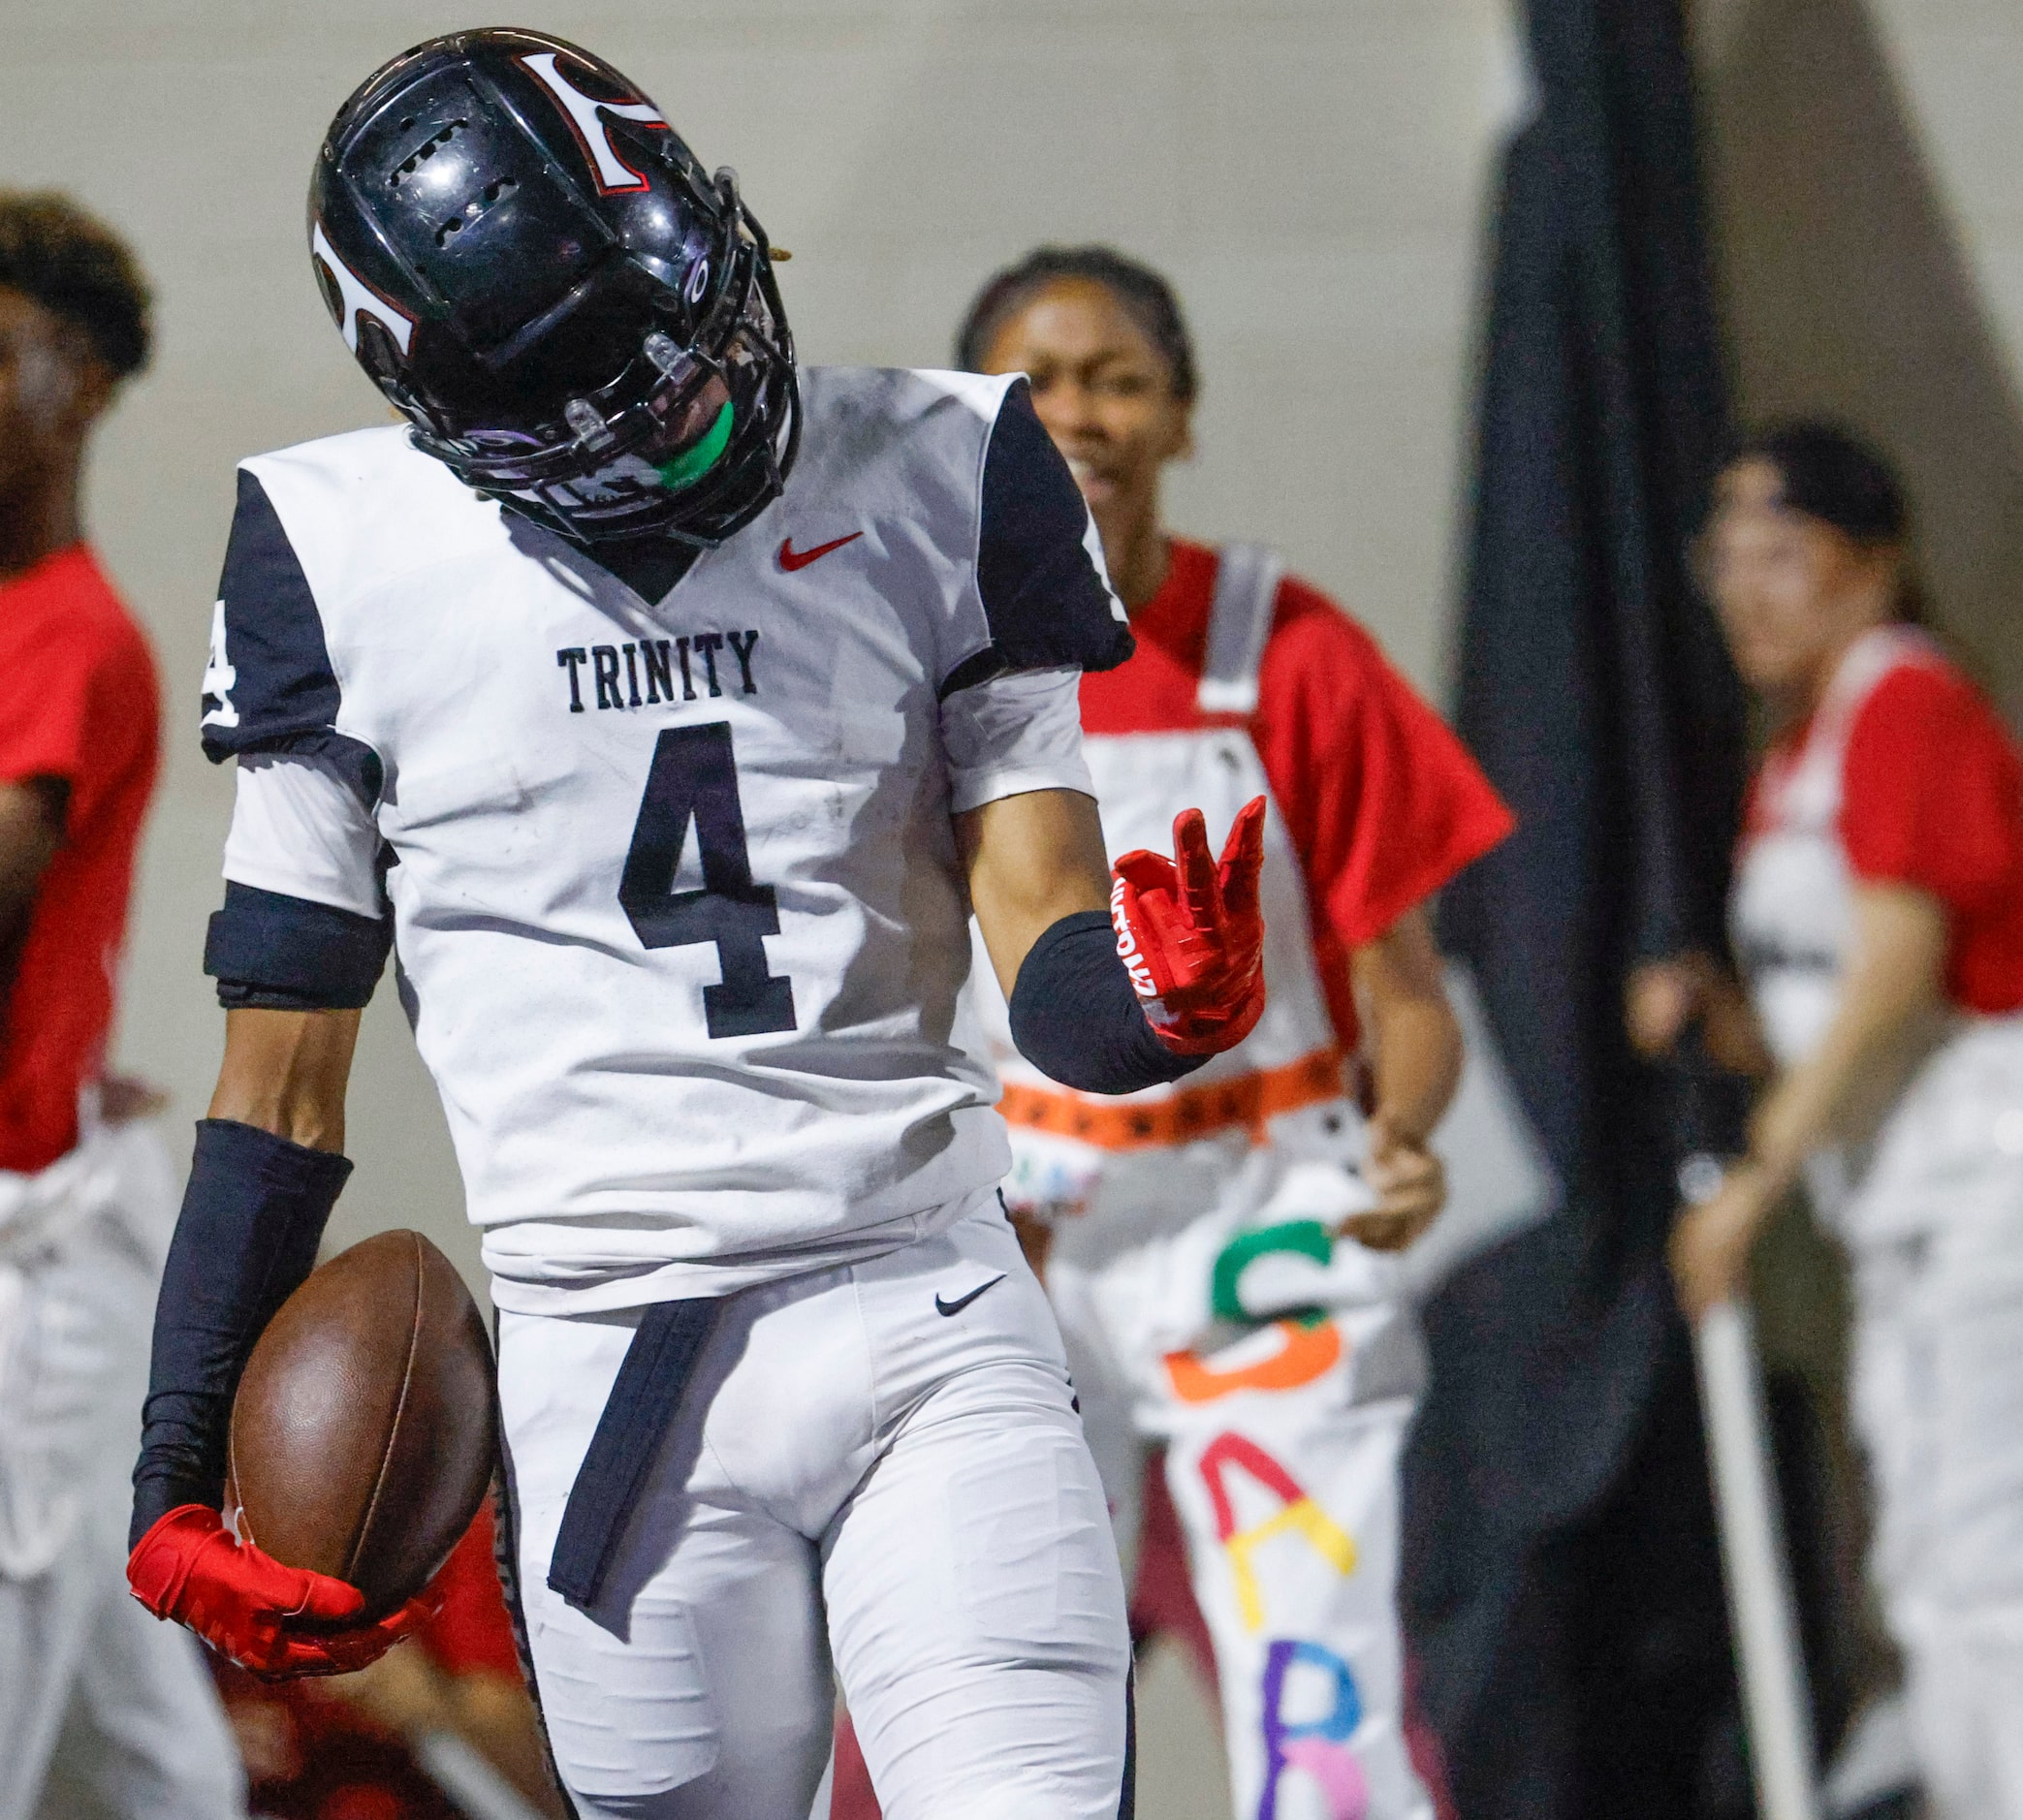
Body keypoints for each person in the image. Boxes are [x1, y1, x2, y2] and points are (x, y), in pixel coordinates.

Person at [123, 33, 1269, 1818]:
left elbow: (1041, 927)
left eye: (699, 348)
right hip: (610, 1366)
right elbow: (278, 1086)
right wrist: (174, 1465)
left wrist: (1149, 1006)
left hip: (925, 1306)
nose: (704, 413)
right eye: (624, 412)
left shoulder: (948, 461)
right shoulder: (336, 556)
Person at [955, 245, 1512, 1820]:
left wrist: (1404, 1135)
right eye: (1037, 383)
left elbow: (1406, 995)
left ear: (1181, 416)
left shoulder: (1285, 640)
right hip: (1018, 1236)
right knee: (990, 1697)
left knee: (1316, 1697)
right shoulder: (923, 658)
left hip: (1254, 1210)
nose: (1079, 410)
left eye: (1118, 377)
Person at [1636, 424, 2023, 1820]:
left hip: (2008, 1169)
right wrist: (1725, 1024)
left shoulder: (1907, 702)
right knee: (1930, 1571)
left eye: (1783, 557)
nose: (1750, 592)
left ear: (1872, 565)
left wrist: (1755, 1179)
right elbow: (1831, 1013)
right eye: (1726, 561)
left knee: (2001, 1557)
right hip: (1909, 1196)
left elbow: (1898, 968)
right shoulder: (1799, 743)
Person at [0, 189, 248, 1820]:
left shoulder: (73, 635)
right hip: (54, 1197)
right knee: (142, 1736)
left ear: (76, 379)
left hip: (28, 1249)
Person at [217, 1502, 565, 1820]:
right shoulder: (197, 1531)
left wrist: (430, 1701)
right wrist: (212, 1742)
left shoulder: (451, 1518)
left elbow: (552, 1764)